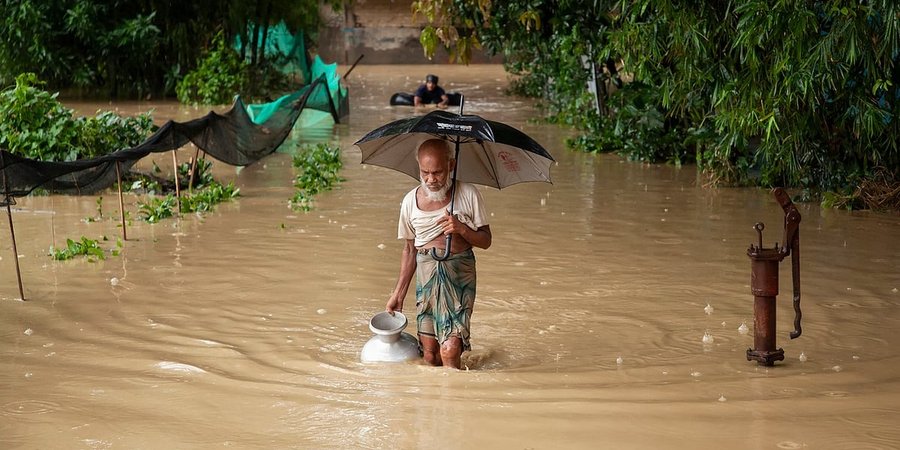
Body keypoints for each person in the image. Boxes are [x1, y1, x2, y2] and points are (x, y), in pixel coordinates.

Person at [385, 139, 492, 369]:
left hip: (459, 278)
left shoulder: (468, 194)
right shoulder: (409, 202)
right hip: (427, 279)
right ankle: (433, 401)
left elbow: (486, 241)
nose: (431, 180)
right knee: (431, 355)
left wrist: (462, 229)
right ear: (419, 169)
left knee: (450, 351)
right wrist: (398, 294)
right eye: (425, 172)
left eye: (438, 172)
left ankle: (453, 400)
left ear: (451, 166)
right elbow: (409, 250)